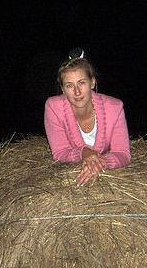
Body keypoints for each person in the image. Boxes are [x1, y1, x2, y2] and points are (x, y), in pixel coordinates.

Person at [44, 48, 131, 186]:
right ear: (62, 89)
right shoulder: (54, 107)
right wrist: (84, 152)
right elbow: (60, 152)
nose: (77, 92)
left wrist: (99, 162)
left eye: (81, 83)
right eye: (69, 85)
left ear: (92, 82)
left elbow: (123, 153)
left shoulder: (114, 107)